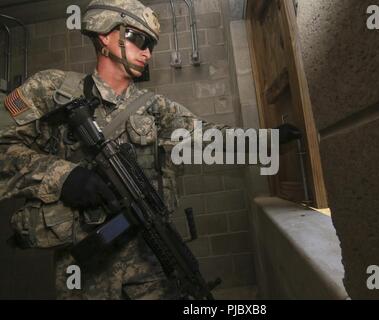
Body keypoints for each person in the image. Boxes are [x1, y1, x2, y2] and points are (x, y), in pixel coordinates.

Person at [0, 0, 299, 300]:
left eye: (151, 44)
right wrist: (63, 177)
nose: (148, 52)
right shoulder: (53, 89)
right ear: (105, 34)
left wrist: (267, 141)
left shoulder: (155, 109)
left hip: (150, 256)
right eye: (138, 39)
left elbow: (208, 138)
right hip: (83, 265)